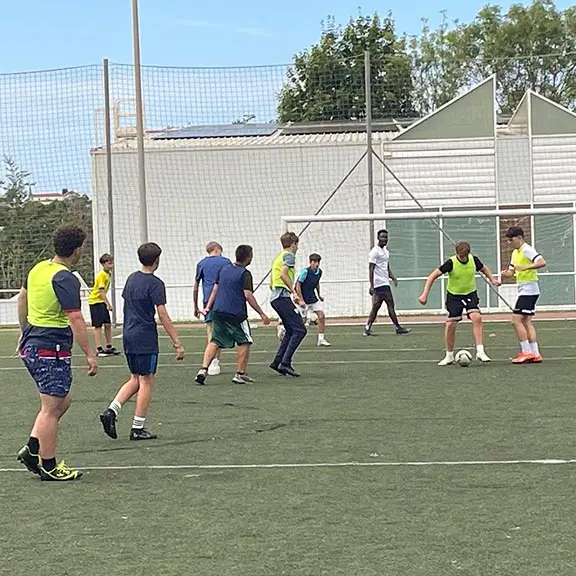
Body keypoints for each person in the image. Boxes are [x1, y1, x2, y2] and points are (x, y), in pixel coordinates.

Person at [16, 226, 97, 481]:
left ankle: (32, 449)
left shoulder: (38, 268)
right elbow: (75, 316)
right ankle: (48, 466)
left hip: (34, 343)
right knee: (51, 408)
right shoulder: (65, 277)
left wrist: (24, 331)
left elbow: (21, 298)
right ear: (77, 250)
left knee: (62, 401)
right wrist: (89, 353)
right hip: (52, 347)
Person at [99, 242, 184, 441]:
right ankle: (138, 427)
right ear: (156, 260)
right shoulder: (155, 284)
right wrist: (177, 342)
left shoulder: (131, 279)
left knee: (135, 378)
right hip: (145, 337)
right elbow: (162, 314)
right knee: (146, 381)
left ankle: (112, 411)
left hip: (129, 335)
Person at [195, 244, 270, 385]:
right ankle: (240, 374)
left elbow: (215, 289)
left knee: (215, 340)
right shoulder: (245, 273)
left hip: (217, 311)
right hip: (236, 313)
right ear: (248, 257)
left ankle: (203, 370)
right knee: (245, 341)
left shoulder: (224, 270)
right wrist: (262, 313)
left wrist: (208, 307)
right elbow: (247, 295)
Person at [419, 241, 500, 366]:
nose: (463, 258)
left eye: (465, 256)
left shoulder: (474, 260)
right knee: (451, 324)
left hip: (470, 294)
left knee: (476, 317)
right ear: (456, 253)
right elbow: (432, 276)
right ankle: (449, 355)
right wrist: (424, 294)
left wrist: (493, 279)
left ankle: (480, 351)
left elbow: (484, 269)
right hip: (454, 296)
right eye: (461, 256)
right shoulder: (450, 263)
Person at [500, 226, 546, 364]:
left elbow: (542, 262)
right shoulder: (515, 253)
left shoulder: (527, 249)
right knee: (526, 321)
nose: (509, 242)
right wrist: (503, 276)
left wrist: (525, 267)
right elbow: (512, 272)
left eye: (511, 239)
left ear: (519, 237)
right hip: (524, 289)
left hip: (529, 289)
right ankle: (535, 353)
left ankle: (526, 352)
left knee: (516, 320)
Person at [269, 232, 307, 377]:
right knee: (300, 330)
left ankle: (277, 361)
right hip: (282, 297)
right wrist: (293, 292)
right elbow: (283, 274)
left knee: (291, 330)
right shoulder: (289, 256)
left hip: (276, 297)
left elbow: (272, 281)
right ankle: (285, 363)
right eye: (297, 245)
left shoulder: (278, 257)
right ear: (293, 244)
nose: (297, 248)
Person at [193, 242, 231, 376]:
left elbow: (196, 286)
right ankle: (214, 361)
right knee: (220, 330)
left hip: (207, 300)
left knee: (210, 329)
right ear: (218, 249)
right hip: (223, 300)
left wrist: (195, 306)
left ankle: (212, 360)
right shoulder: (226, 262)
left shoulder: (201, 264)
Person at [364, 229, 410, 336]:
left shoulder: (386, 251)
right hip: (379, 283)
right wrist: (371, 286)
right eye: (382, 237)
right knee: (387, 304)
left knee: (378, 306)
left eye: (386, 237)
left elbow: (386, 267)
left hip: (385, 282)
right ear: (378, 238)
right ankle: (397, 327)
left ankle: (368, 327)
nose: (384, 239)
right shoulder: (374, 252)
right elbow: (371, 269)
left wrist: (393, 277)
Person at [294, 253, 331, 347]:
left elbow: (317, 283)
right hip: (303, 298)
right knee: (300, 321)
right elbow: (298, 284)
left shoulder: (319, 272)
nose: (317, 264)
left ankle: (321, 340)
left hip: (312, 298)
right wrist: (300, 299)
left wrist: (319, 295)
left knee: (321, 316)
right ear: (310, 262)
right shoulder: (305, 272)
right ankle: (285, 331)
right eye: (314, 262)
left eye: (318, 262)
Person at [88, 253, 120, 357]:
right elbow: (101, 292)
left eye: (112, 263)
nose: (111, 266)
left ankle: (109, 346)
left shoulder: (108, 274)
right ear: (103, 264)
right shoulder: (102, 275)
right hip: (95, 301)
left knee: (107, 324)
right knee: (98, 325)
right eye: (109, 263)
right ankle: (99, 348)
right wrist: (108, 304)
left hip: (101, 301)